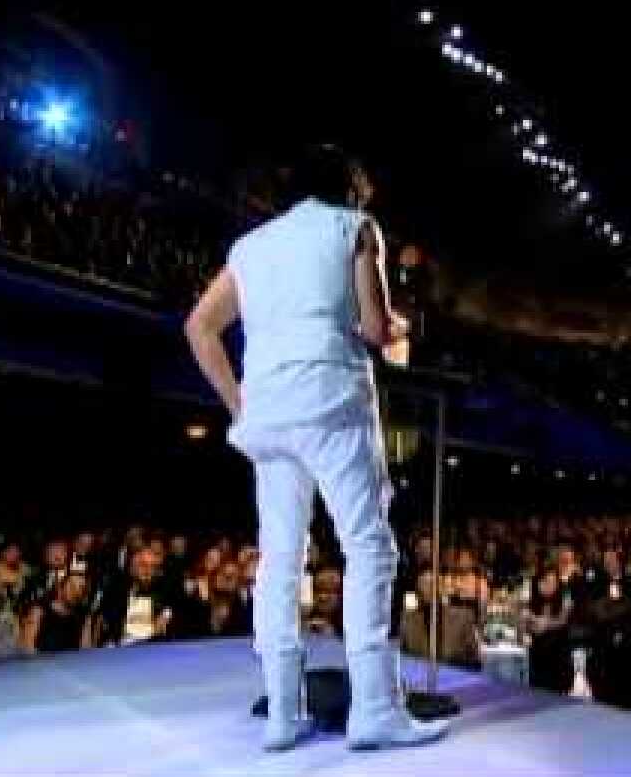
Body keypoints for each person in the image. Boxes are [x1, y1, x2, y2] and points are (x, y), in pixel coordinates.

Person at [184, 145, 444, 751]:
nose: (366, 193)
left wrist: (239, 405)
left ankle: (282, 713)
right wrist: (400, 329)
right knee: (368, 546)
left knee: (280, 558)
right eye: (362, 183)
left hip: (268, 412)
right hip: (331, 400)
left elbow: (199, 327)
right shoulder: (356, 227)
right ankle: (375, 710)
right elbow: (376, 329)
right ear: (347, 186)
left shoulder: (250, 246)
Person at [21, 572, 92, 653]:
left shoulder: (82, 616)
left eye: (82, 589)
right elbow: (28, 646)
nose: (77, 593)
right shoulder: (39, 610)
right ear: (60, 586)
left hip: (71, 660)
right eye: (73, 587)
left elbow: (85, 651)